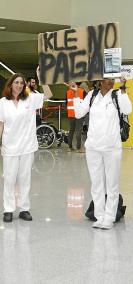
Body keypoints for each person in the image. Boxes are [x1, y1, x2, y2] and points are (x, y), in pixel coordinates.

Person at [73, 78, 132, 230]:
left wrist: (124, 89)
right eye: (107, 80)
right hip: (93, 147)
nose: (110, 83)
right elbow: (79, 113)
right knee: (96, 183)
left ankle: (110, 216)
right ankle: (99, 215)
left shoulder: (118, 95)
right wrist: (75, 94)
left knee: (112, 184)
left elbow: (128, 110)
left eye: (112, 80)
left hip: (112, 147)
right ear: (99, 81)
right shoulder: (92, 95)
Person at [0, 69, 53, 222]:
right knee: (9, 179)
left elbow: (48, 95)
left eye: (22, 83)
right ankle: (8, 210)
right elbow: (1, 125)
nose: (19, 85)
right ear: (10, 84)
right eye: (16, 82)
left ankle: (24, 209)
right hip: (9, 147)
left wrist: (42, 78)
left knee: (25, 178)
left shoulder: (30, 99)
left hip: (27, 146)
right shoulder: (3, 103)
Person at [66, 82, 86, 153]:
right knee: (78, 130)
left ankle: (70, 147)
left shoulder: (68, 92)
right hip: (79, 113)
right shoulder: (82, 91)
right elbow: (85, 103)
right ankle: (79, 148)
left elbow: (67, 103)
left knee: (71, 130)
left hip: (71, 114)